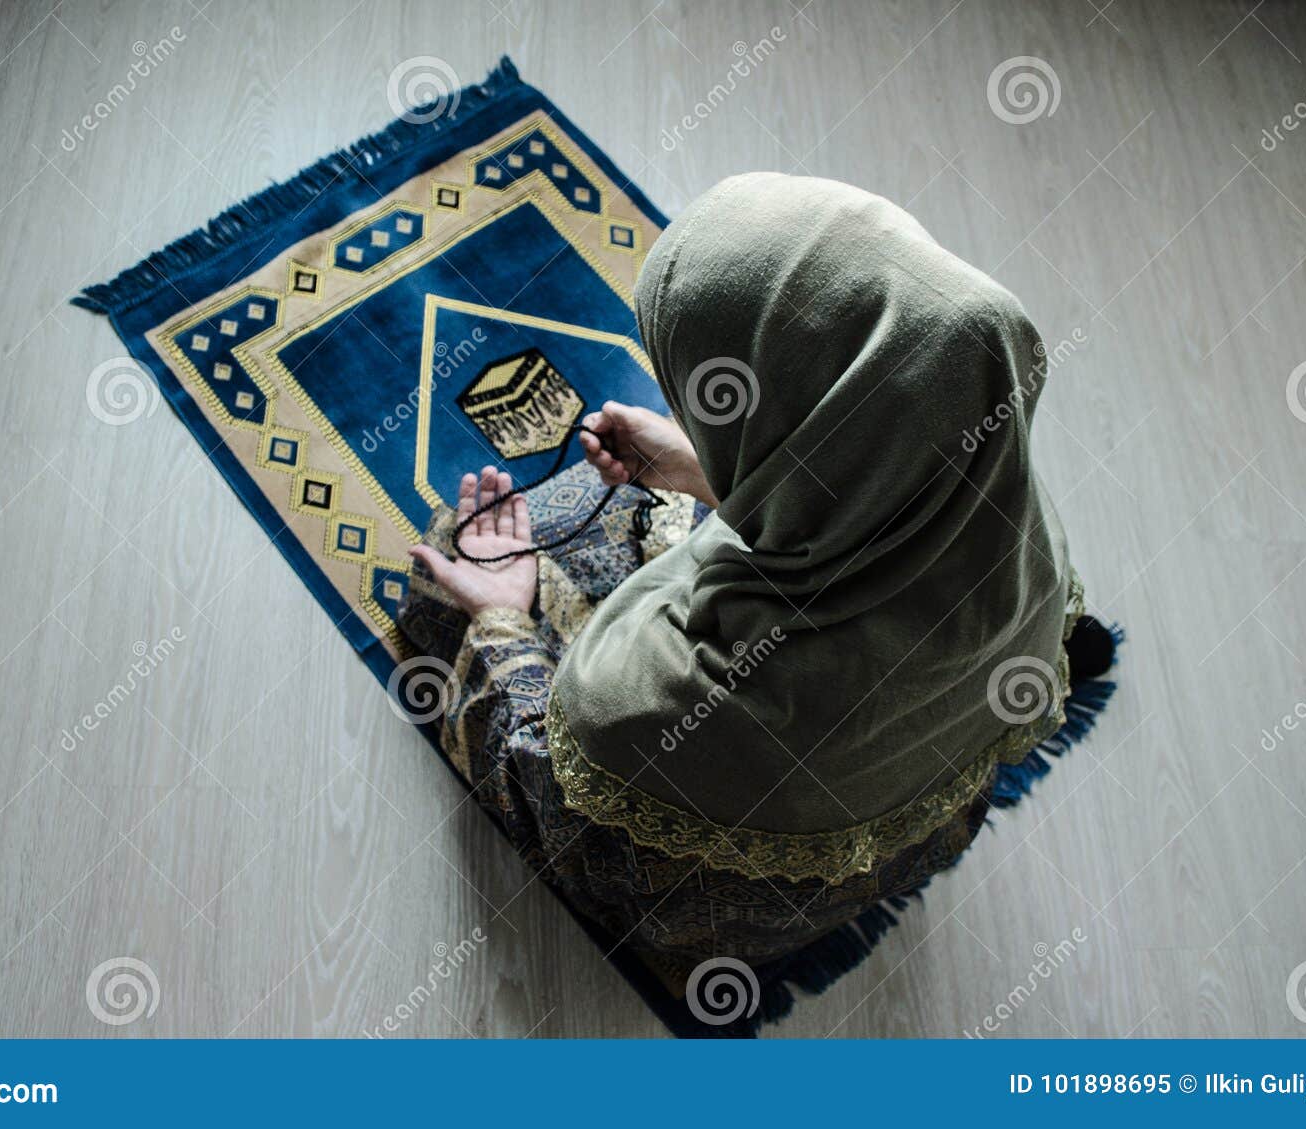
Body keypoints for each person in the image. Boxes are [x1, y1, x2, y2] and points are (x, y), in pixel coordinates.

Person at [399, 172, 1112, 986]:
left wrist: (502, 620)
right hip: (902, 796)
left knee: (454, 569)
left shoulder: (643, 712)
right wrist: (711, 472)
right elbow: (865, 506)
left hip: (706, 897)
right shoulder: (1016, 529)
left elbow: (550, 805)